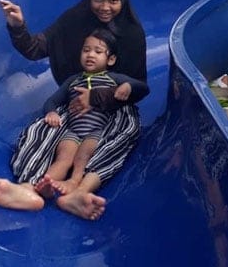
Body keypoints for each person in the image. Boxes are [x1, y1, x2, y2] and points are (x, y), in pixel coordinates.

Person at [0, 0, 148, 220]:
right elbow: (36, 48)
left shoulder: (132, 34)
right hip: (74, 104)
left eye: (113, 1)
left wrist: (98, 98)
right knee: (41, 131)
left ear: (123, 0)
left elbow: (140, 87)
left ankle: (79, 192)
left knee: (120, 136)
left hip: (115, 109)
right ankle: (28, 188)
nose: (105, 7)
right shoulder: (74, 20)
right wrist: (18, 26)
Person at [32, 29, 147, 203]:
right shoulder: (73, 81)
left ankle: (74, 182)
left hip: (96, 131)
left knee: (83, 157)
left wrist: (128, 86)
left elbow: (142, 87)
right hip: (73, 130)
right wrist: (51, 112)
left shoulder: (113, 78)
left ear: (111, 59)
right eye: (86, 50)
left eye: (98, 51)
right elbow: (52, 101)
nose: (90, 55)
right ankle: (46, 183)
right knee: (63, 158)